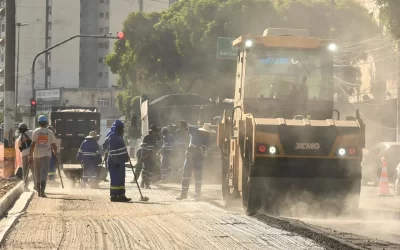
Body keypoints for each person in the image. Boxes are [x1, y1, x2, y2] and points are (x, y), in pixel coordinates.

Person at [176, 121, 215, 201]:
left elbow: (205, 148)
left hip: (199, 158)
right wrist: (184, 124)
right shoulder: (195, 130)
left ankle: (197, 194)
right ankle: (183, 194)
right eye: (207, 132)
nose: (208, 134)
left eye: (208, 133)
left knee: (198, 177)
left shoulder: (207, 138)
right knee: (186, 175)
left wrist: (196, 149)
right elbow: (187, 127)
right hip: (189, 157)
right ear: (203, 130)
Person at [103, 120, 131, 202]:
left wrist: (126, 157)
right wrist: (116, 162)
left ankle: (121, 195)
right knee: (115, 178)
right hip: (115, 162)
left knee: (121, 178)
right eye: (122, 128)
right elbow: (113, 151)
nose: (123, 130)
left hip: (120, 161)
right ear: (118, 128)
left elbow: (122, 149)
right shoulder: (113, 136)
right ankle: (114, 195)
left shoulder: (118, 136)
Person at [29, 115, 57, 197]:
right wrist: (55, 153)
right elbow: (53, 144)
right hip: (46, 155)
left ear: (39, 122)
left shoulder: (35, 131)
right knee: (44, 172)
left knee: (37, 172)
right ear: (46, 123)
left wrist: (30, 155)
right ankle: (42, 191)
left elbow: (32, 144)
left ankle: (38, 191)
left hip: (36, 155)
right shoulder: (50, 132)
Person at [17, 123, 33, 192]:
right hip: (32, 154)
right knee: (34, 170)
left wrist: (24, 151)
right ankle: (36, 186)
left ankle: (25, 187)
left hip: (24, 154)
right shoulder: (31, 132)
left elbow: (20, 147)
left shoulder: (20, 138)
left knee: (25, 171)